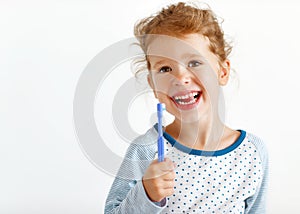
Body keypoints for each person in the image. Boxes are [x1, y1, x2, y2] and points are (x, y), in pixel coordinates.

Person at [105, 2, 268, 213]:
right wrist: (146, 194)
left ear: (222, 72)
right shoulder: (145, 150)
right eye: (165, 68)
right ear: (153, 85)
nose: (180, 78)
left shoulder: (252, 153)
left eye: (194, 63)